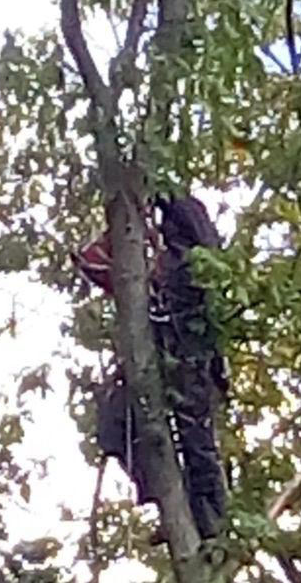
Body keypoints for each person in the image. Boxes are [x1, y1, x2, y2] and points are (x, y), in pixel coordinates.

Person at [75, 194, 227, 538]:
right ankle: (167, 498)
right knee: (115, 422)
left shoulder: (191, 268)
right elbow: (93, 263)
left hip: (189, 365)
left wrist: (157, 201)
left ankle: (210, 523)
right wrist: (132, 218)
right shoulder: (158, 267)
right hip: (156, 365)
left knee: (195, 437)